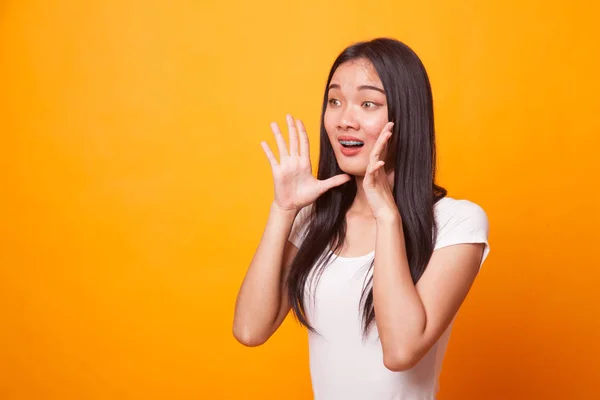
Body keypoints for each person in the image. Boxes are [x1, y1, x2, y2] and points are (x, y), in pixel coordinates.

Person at [232, 37, 490, 400]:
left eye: (368, 103)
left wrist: (387, 215)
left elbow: (400, 352)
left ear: (406, 116)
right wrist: (284, 209)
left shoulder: (456, 224)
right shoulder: (315, 221)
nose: (344, 120)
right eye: (334, 101)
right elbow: (249, 329)